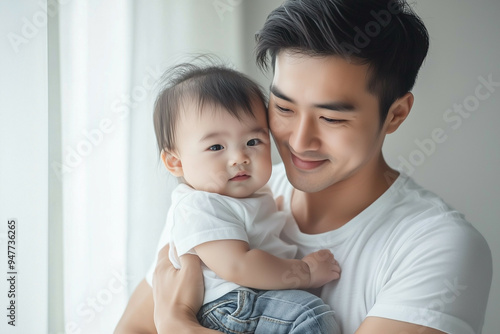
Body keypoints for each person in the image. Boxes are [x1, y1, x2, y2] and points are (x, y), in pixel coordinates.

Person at [115, 1, 493, 333]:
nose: (298, 141)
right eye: (283, 109)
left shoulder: (437, 246)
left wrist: (177, 325)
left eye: (331, 119)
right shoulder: (220, 193)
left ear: (395, 114)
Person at [147, 62, 341, 333]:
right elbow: (238, 264)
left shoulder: (252, 196)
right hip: (229, 304)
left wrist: (275, 215)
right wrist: (305, 272)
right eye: (216, 147)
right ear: (175, 162)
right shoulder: (199, 205)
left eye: (252, 142)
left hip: (245, 301)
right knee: (309, 316)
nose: (239, 158)